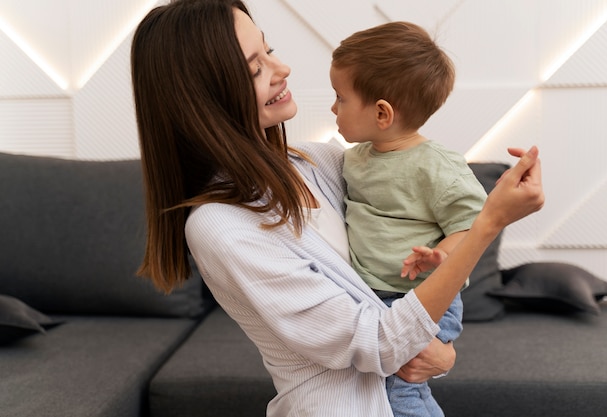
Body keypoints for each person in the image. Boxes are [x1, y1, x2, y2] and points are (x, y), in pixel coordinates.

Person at [130, 1, 544, 416]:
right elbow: (380, 343)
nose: (283, 69)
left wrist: (444, 352)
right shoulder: (221, 226)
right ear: (204, 99)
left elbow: (410, 219)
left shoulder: (318, 163)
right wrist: (489, 223)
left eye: (269, 50)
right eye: (255, 68)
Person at [331, 22, 488, 416]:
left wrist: (443, 256)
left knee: (400, 396)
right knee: (377, 396)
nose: (333, 108)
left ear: (382, 113)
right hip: (374, 299)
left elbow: (473, 224)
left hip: (421, 298)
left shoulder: (436, 167)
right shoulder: (351, 159)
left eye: (340, 98)